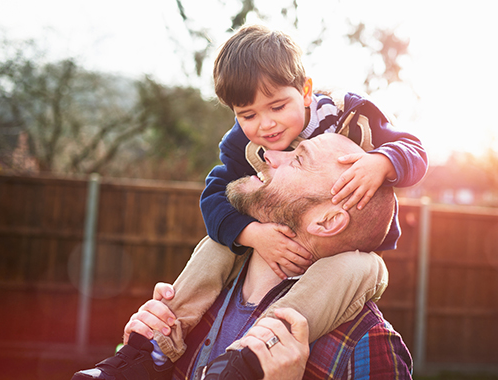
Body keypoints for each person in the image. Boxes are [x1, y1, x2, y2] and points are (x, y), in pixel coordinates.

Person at [73, 23, 426, 380]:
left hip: (357, 251)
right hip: (251, 240)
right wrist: (251, 233)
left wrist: (383, 162)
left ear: (306, 91)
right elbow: (214, 196)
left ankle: (261, 348)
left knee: (358, 268)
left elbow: (414, 148)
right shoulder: (241, 147)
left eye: (277, 107)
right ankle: (152, 347)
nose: (267, 129)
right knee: (218, 241)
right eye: (248, 115)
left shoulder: (350, 114)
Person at [121, 134, 412, 379]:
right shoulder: (197, 298)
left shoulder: (366, 344)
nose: (269, 154)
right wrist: (151, 364)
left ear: (326, 222)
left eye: (297, 159)